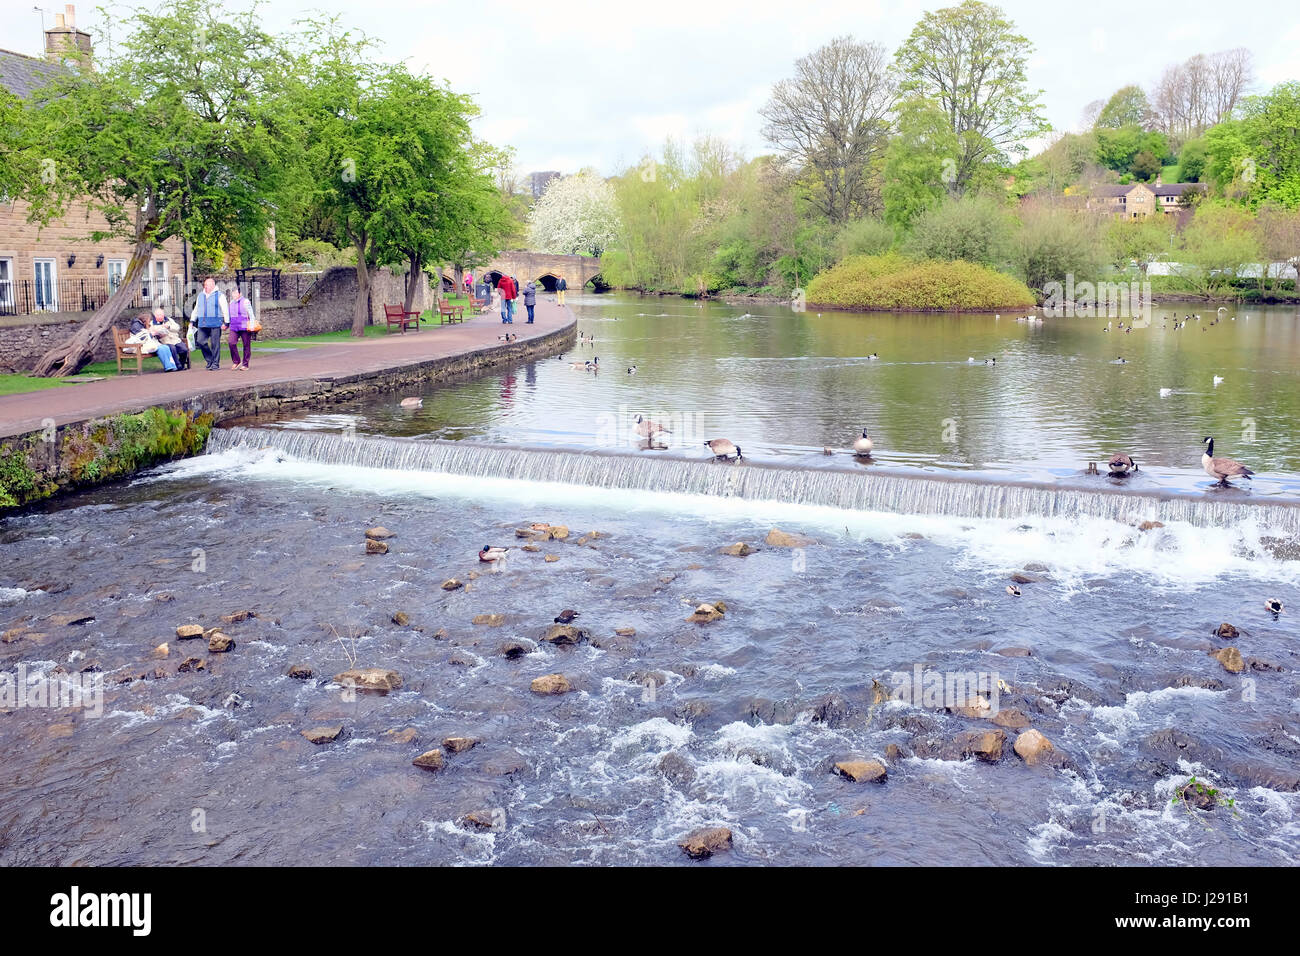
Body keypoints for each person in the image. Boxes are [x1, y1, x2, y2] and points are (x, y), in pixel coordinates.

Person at [190, 277, 229, 370]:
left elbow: (225, 309)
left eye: (207, 285)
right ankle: (210, 360)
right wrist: (192, 320)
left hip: (215, 323)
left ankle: (215, 364)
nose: (205, 286)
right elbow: (196, 309)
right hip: (202, 323)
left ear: (213, 285)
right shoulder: (200, 295)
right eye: (205, 285)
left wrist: (227, 322)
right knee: (200, 341)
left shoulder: (220, 295)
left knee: (215, 344)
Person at [225, 285, 256, 370]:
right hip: (234, 326)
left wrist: (252, 325)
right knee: (231, 343)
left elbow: (251, 314)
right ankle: (236, 361)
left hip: (244, 326)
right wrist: (226, 324)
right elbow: (229, 315)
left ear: (240, 293)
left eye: (235, 293)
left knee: (246, 345)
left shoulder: (246, 301)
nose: (233, 295)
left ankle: (245, 364)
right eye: (232, 293)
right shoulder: (231, 303)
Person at [148, 306, 188, 370]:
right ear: (155, 316)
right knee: (172, 348)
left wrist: (169, 327)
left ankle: (181, 364)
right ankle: (178, 365)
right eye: (158, 315)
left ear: (163, 315)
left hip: (175, 340)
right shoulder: (152, 323)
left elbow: (177, 327)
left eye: (161, 315)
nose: (160, 316)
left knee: (184, 349)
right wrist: (158, 335)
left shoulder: (169, 320)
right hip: (164, 342)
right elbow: (151, 333)